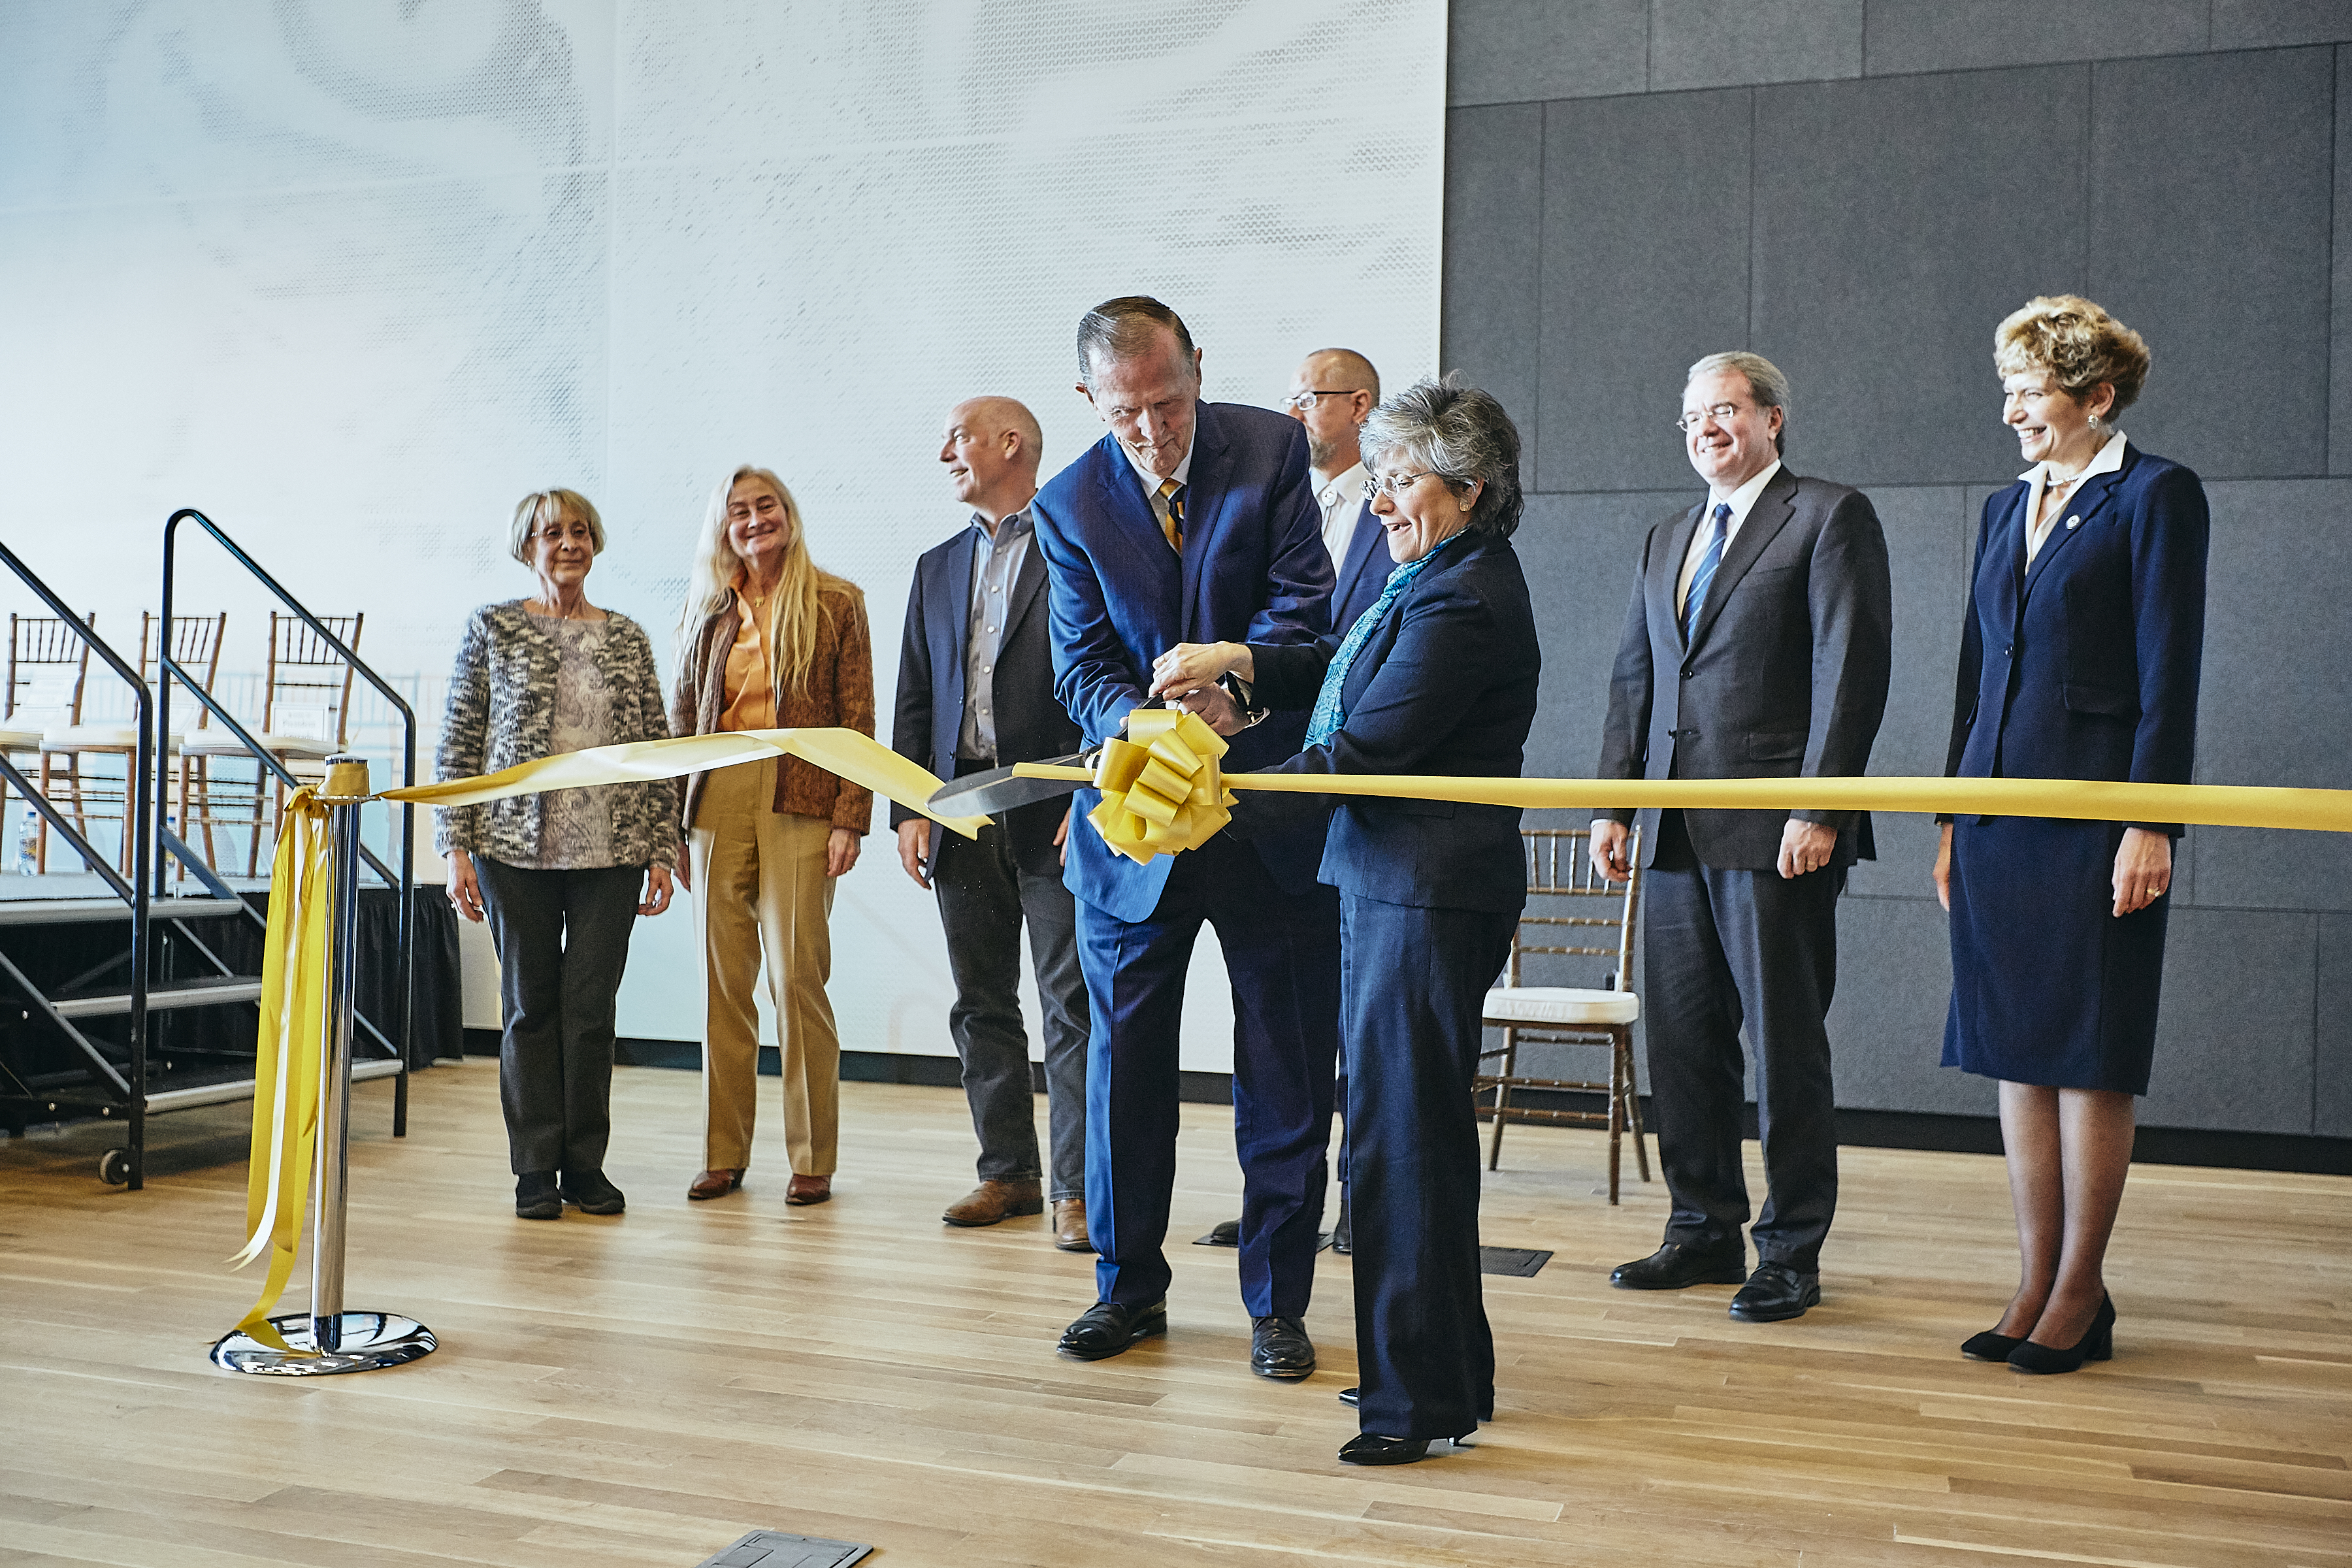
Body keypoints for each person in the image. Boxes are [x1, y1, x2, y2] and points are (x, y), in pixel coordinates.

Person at [1153, 375, 1539, 1465]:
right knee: (1402, 1139)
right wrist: (1242, 662)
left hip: (1420, 893)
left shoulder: (1464, 598)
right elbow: (1337, 671)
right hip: (1389, 885)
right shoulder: (1433, 574)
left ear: (1466, 487)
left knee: (1400, 1145)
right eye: (1375, 479)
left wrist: (1212, 766)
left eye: (1400, 479)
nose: (1378, 501)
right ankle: (1435, 1374)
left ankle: (1411, 1406)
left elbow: (1360, 750)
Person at [1031, 295, 1339, 1380]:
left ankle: (1279, 1306)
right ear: (1089, 402)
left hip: (1269, 822)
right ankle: (1127, 1291)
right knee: (1122, 1083)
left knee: (1288, 1076)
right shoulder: (1066, 504)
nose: (1154, 430)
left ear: (1197, 368)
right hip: (1134, 840)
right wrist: (1155, 724)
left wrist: (1237, 696)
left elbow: (1310, 618)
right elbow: (1079, 670)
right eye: (1127, 415)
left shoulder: (1270, 449)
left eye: (1168, 402)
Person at [1935, 296, 2207, 1375]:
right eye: (2007, 392)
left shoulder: (2157, 496)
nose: (2014, 412)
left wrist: (2151, 822)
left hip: (2098, 816)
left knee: (2090, 1055)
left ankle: (2083, 1291)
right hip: (2000, 818)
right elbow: (1974, 676)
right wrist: (1954, 814)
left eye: (2032, 391)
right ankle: (2033, 1276)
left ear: (2097, 396)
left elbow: (2167, 674)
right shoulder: (2009, 508)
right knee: (2019, 1052)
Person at [1592, 351, 1891, 1324]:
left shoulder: (1828, 515)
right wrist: (1612, 804)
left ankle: (1792, 1249)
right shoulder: (1666, 535)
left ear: (1772, 420)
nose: (1705, 428)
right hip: (1674, 831)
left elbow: (1851, 670)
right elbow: (1634, 680)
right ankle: (1701, 1228)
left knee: (1786, 1045)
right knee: (1683, 1041)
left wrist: (1822, 805)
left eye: (1724, 410)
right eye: (1690, 416)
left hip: (1778, 828)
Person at [436, 488, 679, 1220]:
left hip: (613, 851)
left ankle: (586, 1165)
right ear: (526, 546)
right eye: (552, 533)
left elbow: (655, 747)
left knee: (590, 1010)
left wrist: (662, 848)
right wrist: (457, 849)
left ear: (595, 543)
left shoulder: (627, 637)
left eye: (579, 531)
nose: (568, 544)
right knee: (528, 1010)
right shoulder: (492, 629)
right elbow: (461, 742)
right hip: (514, 849)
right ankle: (535, 1169)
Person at [890, 396, 1093, 1250]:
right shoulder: (937, 565)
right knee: (980, 1000)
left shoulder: (1077, 542)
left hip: (1050, 807)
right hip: (959, 811)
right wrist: (907, 808)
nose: (945, 452)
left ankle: (1076, 1191)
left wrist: (1092, 792)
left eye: (959, 438)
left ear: (1009, 444)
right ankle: (1005, 1172)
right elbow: (913, 693)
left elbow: (1104, 673)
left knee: (1069, 1004)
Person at [671, 465, 874, 1207]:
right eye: (739, 512)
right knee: (721, 987)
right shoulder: (706, 608)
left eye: (767, 505)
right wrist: (672, 831)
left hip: (803, 795)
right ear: (722, 529)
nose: (756, 520)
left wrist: (851, 817)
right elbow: (680, 722)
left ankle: (812, 1156)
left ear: (789, 512)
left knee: (796, 978)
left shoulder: (836, 601)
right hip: (715, 796)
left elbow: (858, 719)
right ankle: (722, 1153)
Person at [1282, 348, 1391, 635]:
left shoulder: (1400, 506)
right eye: (1291, 402)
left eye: (1308, 400)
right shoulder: (1277, 501)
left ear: (1358, 406)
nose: (1292, 416)